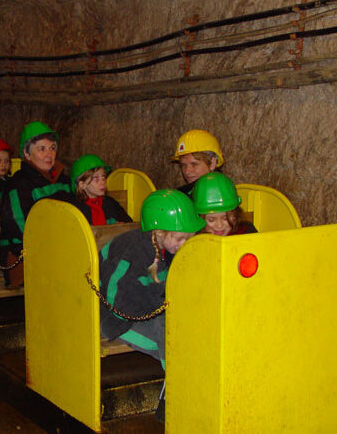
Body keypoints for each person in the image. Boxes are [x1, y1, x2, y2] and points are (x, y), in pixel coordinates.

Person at [98, 189, 204, 420]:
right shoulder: (133, 252)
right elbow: (118, 299)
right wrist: (163, 298)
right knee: (176, 341)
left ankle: (181, 391)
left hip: (147, 312)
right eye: (179, 238)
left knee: (185, 339)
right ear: (158, 232)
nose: (185, 244)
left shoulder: (169, 248)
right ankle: (174, 398)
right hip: (113, 319)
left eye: (189, 237)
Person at [0, 121, 73, 288]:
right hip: (25, 255)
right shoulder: (19, 184)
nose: (49, 154)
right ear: (26, 153)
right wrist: (51, 244)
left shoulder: (63, 180)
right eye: (42, 149)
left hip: (61, 248)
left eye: (52, 148)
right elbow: (18, 224)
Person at [70, 154, 131, 225]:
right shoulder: (75, 209)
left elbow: (129, 224)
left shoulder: (110, 203)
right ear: (82, 184)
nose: (102, 182)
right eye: (96, 178)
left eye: (103, 177)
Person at [192, 172, 257, 236]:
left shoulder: (246, 232)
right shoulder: (195, 239)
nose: (219, 226)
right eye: (211, 220)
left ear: (235, 214)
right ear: (199, 219)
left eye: (226, 218)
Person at [170, 129, 224, 197]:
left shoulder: (216, 196)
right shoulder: (186, 193)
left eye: (194, 164)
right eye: (183, 165)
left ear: (212, 163)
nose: (187, 171)